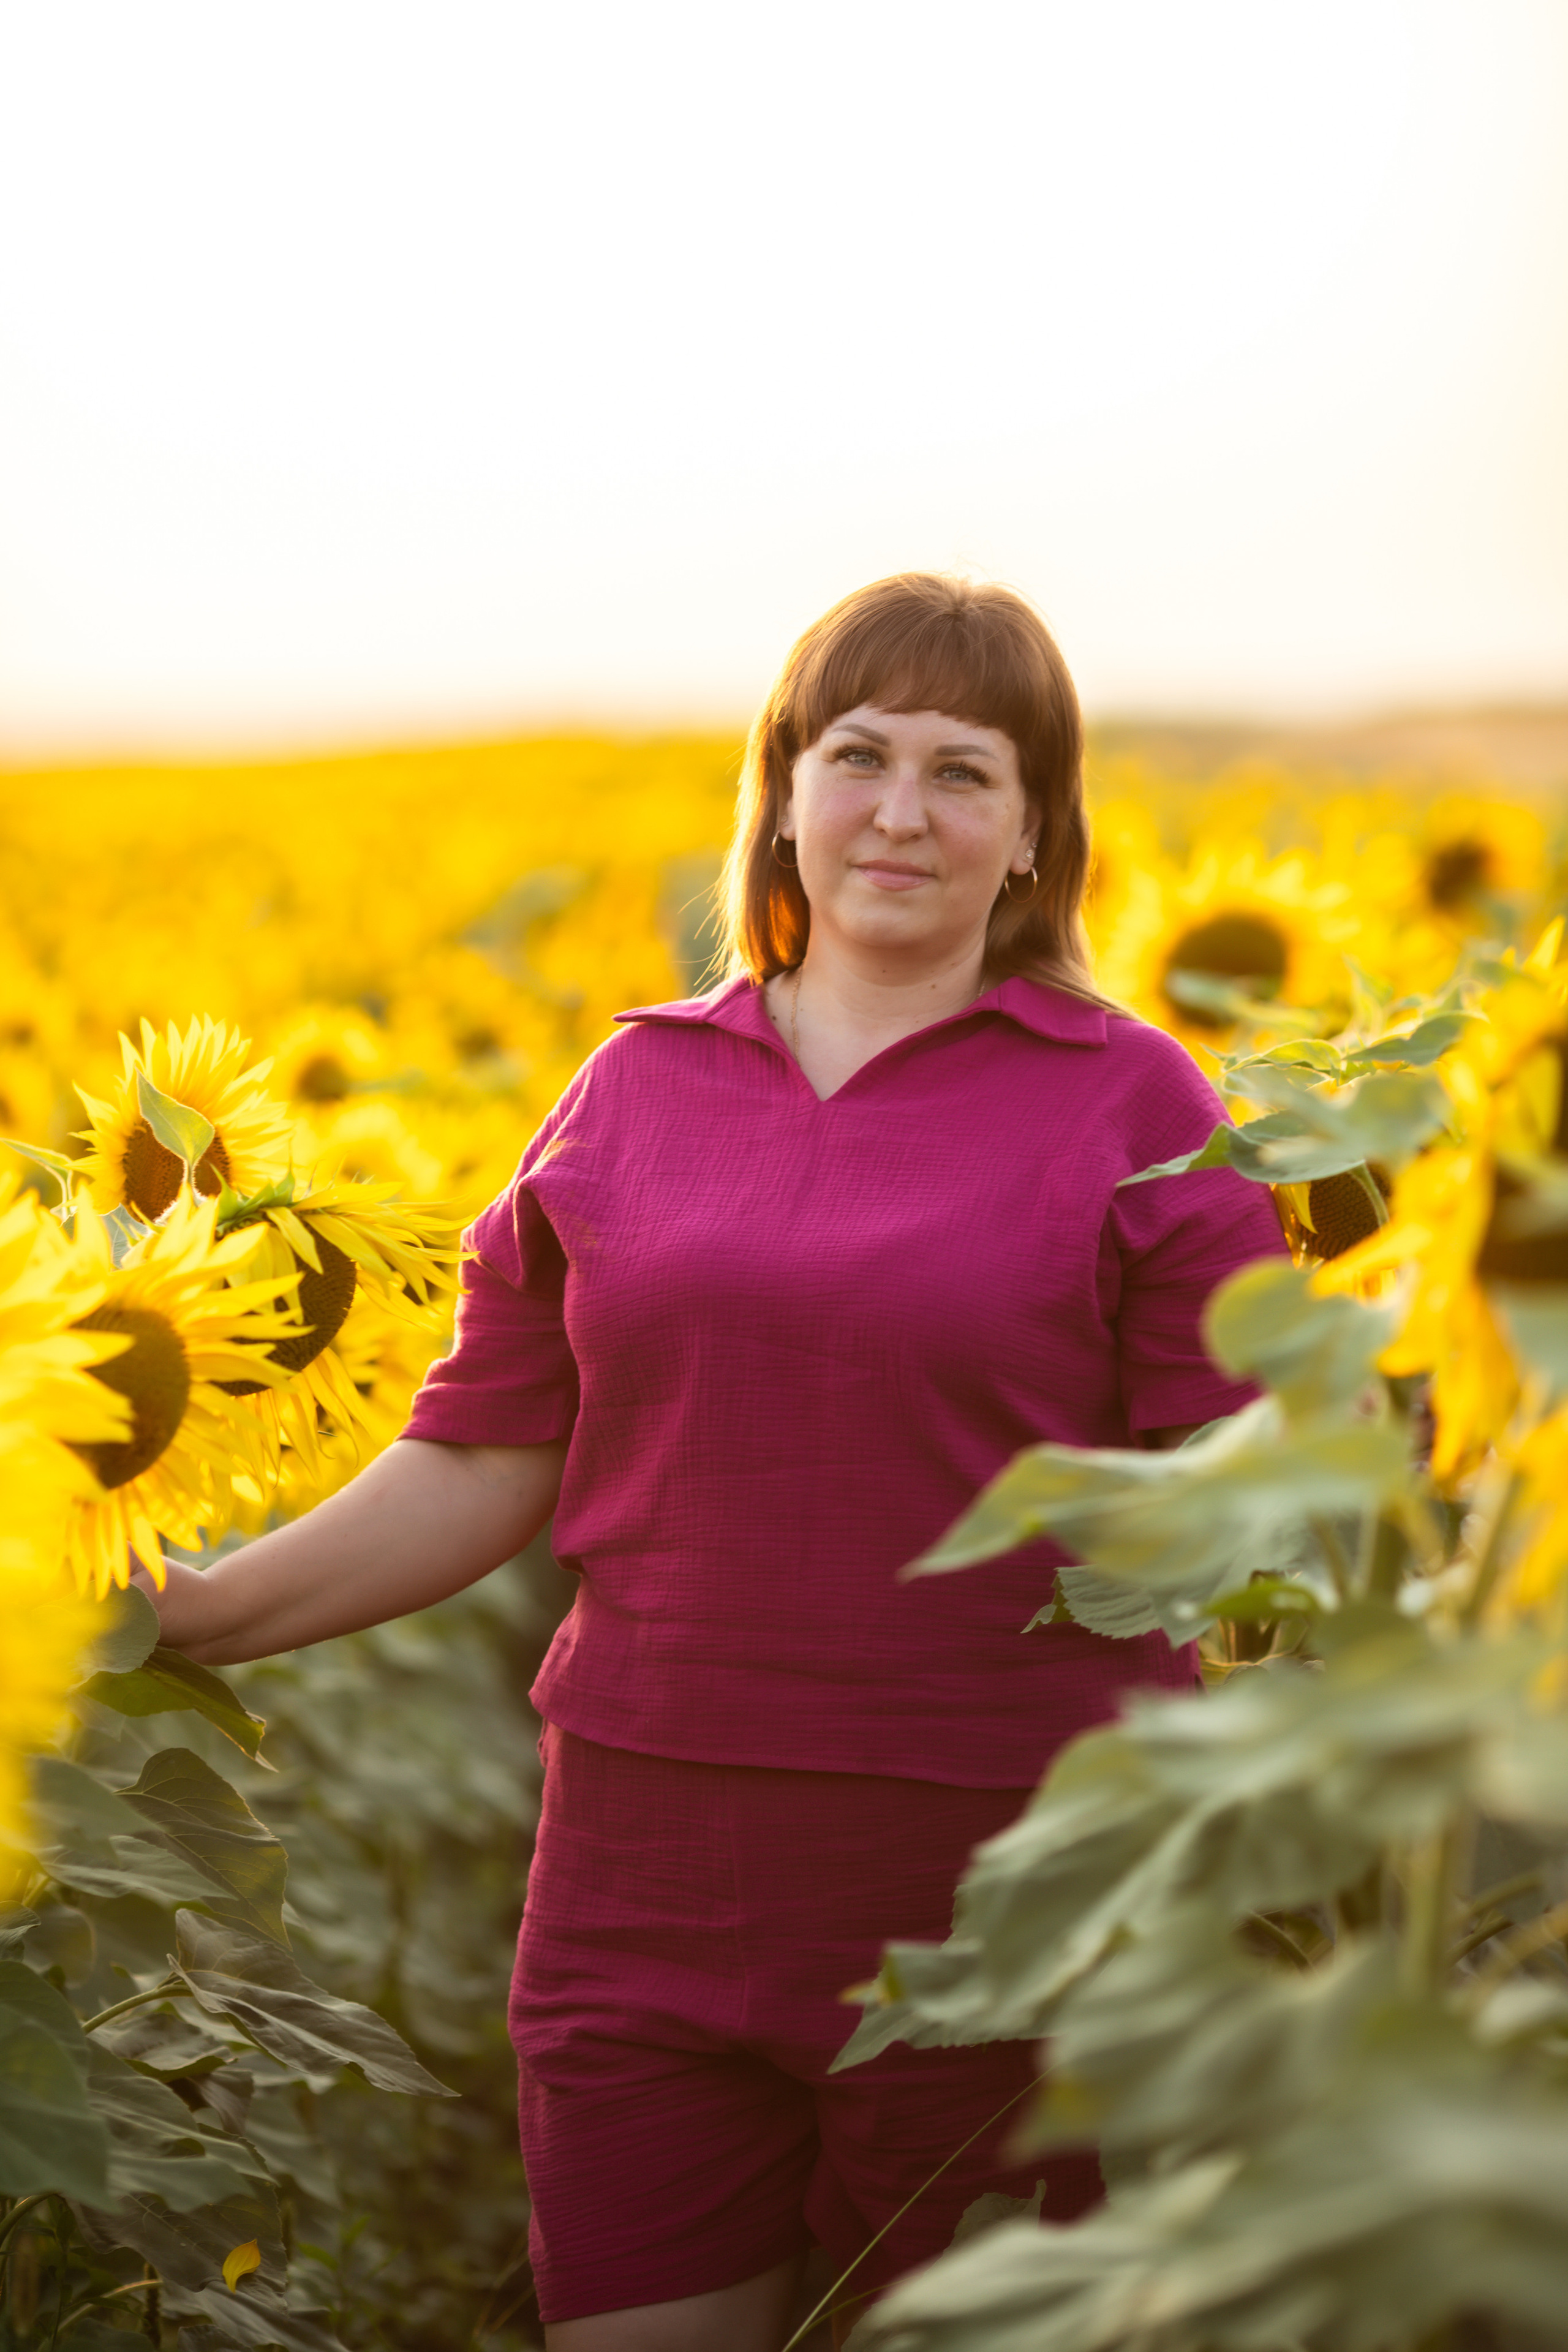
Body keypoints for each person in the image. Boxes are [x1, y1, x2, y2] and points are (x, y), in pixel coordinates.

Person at [144, 573, 1286, 2351]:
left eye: (965, 772)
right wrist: (206, 1613)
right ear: (784, 788)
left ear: (1039, 835)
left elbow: (1249, 1492)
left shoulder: (1137, 1107)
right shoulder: (637, 1089)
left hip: (1008, 1892)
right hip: (643, 1877)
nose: (902, 812)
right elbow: (487, 1452)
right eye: (860, 754)